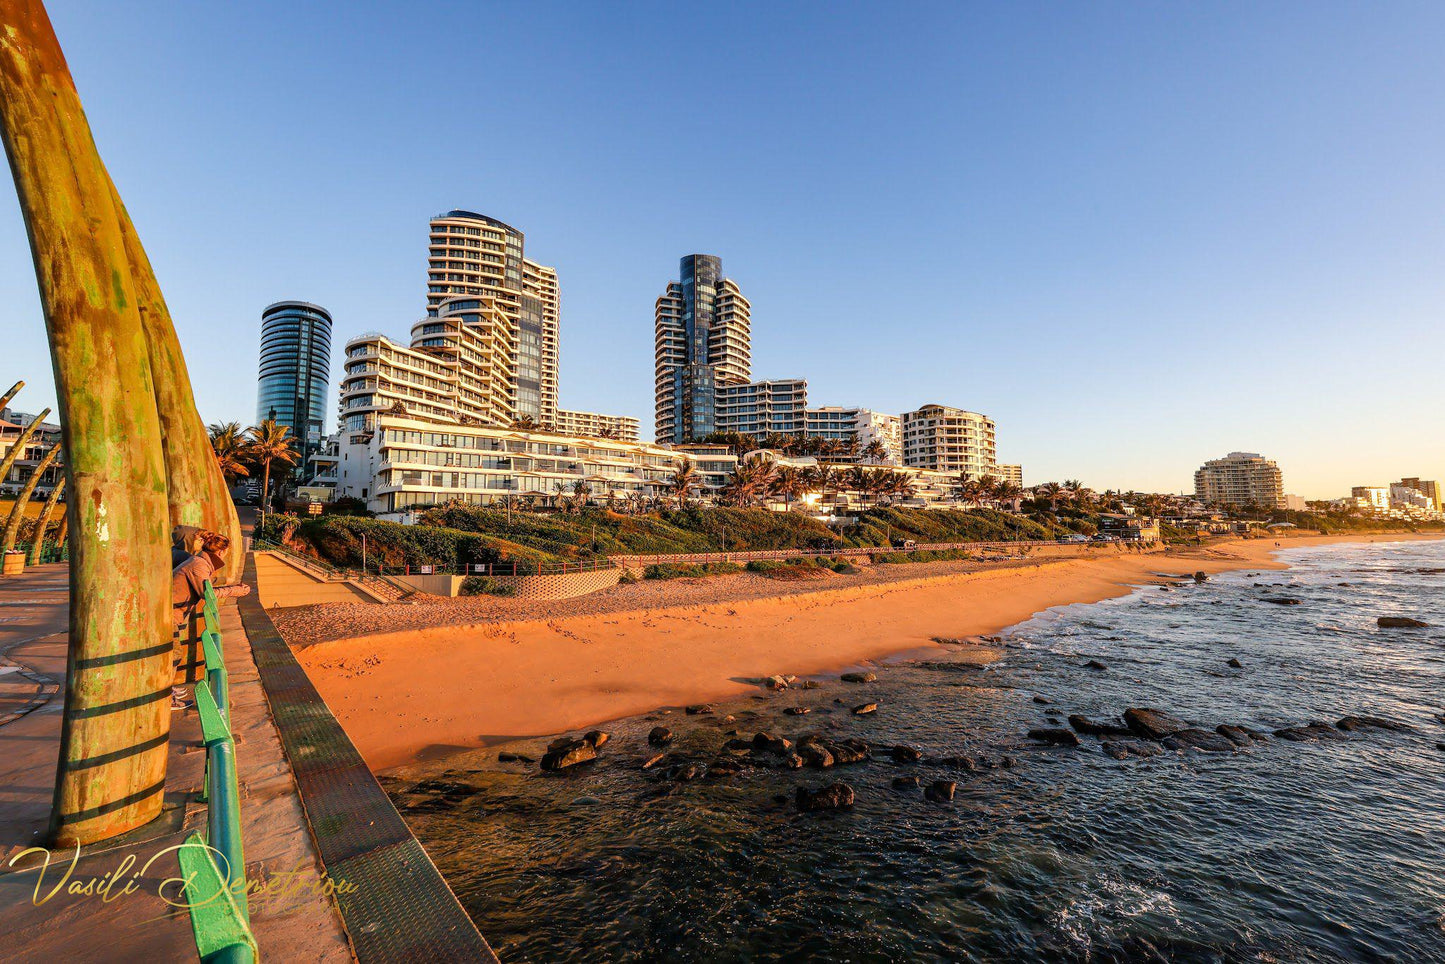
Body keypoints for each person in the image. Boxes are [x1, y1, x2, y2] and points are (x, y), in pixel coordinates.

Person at [171, 530, 251, 709]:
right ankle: (165, 696)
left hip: (173, 613)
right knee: (173, 654)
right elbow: (207, 594)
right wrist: (234, 591)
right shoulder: (199, 565)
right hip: (169, 615)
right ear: (222, 552)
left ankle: (167, 690)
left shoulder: (200, 562)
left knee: (173, 653)